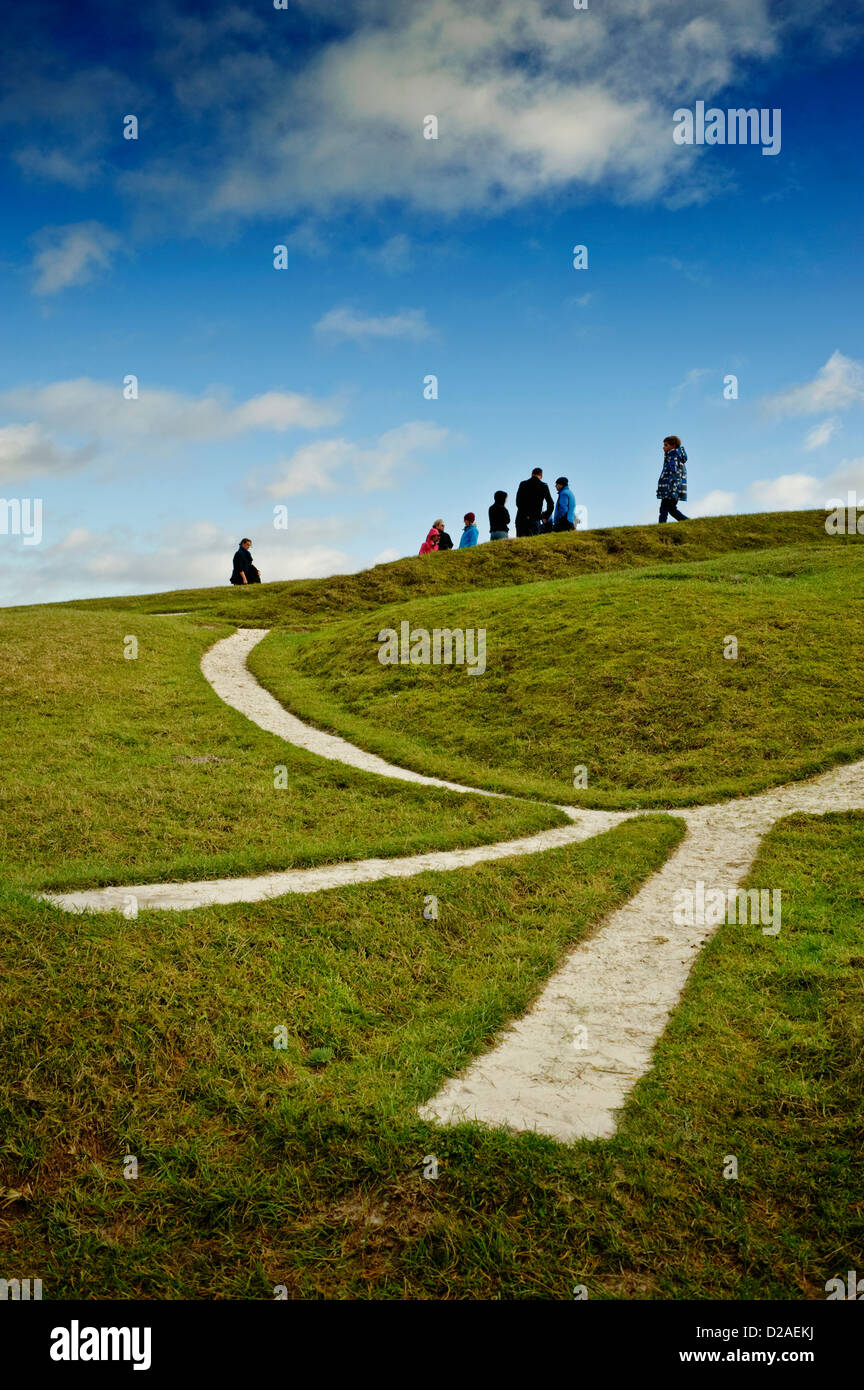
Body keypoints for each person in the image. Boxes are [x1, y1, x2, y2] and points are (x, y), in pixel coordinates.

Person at [657, 436, 689, 522]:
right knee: (672, 509)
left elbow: (675, 473)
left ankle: (661, 526)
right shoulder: (673, 456)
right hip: (673, 488)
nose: (664, 447)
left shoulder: (673, 456)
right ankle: (687, 521)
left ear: (673, 446)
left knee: (664, 509)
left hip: (670, 489)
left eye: (666, 445)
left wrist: (672, 488)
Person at [515, 467, 553, 536]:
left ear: (532, 474)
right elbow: (551, 503)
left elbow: (518, 502)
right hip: (535, 518)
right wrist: (545, 516)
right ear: (541, 476)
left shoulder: (523, 484)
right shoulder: (543, 486)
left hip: (521, 517)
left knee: (521, 543)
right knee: (534, 543)